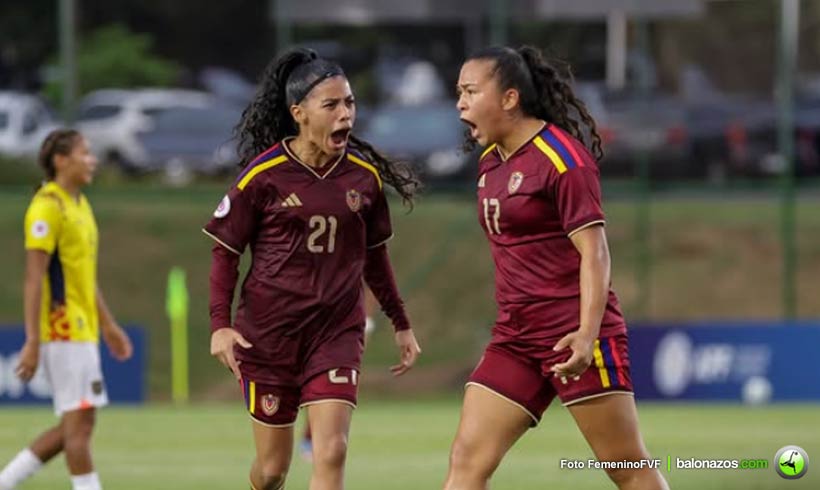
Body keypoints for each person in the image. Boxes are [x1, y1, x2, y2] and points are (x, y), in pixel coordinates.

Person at [443, 46, 669, 490]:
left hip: (575, 333)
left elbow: (596, 254)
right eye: (458, 92)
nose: (460, 103)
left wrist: (587, 335)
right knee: (466, 461)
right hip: (516, 338)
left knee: (627, 467)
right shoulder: (490, 163)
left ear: (509, 98)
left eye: (470, 91)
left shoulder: (561, 160)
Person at [204, 47, 421, 490]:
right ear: (299, 112)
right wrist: (219, 326)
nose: (345, 114)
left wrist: (400, 321)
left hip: (335, 333)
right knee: (270, 473)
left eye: (350, 103)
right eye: (332, 105)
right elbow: (225, 253)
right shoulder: (262, 177)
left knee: (332, 451)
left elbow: (375, 257)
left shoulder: (364, 179)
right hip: (269, 336)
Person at [0, 129, 133, 490]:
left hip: (83, 327)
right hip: (62, 328)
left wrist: (108, 326)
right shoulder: (47, 206)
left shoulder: (80, 204)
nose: (92, 159)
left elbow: (83, 276)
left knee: (74, 427)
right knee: (79, 431)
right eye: (84, 153)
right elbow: (33, 278)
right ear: (61, 160)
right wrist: (31, 340)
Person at [298, 287, 378, 461]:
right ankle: (312, 438)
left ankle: (323, 439)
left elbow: (373, 281)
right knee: (318, 381)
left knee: (339, 384)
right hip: (323, 321)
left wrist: (368, 321)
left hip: (352, 324)